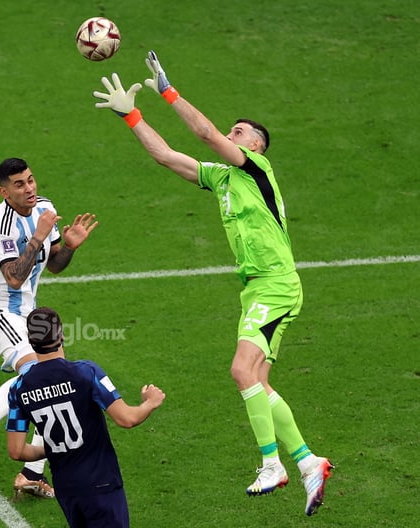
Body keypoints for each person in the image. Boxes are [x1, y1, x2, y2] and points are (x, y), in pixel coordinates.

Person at [92, 50, 333, 516]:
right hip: (258, 287)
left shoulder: (255, 170)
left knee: (241, 371)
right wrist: (131, 115)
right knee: (258, 383)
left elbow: (202, 132)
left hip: (275, 284)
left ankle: (271, 464)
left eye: (240, 133)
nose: (230, 133)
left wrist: (167, 89)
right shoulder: (222, 179)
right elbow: (166, 156)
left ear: (256, 148)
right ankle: (307, 462)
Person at [0, 157, 98, 498]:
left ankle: (31, 472)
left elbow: (56, 263)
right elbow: (14, 278)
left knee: (54, 377)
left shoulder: (45, 207)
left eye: (30, 180)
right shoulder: (0, 225)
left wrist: (70, 245)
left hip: (27, 315)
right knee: (36, 375)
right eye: (19, 185)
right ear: (5, 192)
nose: (29, 188)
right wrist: (38, 235)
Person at [6, 306, 165, 527]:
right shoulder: (85, 372)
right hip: (101, 484)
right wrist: (150, 403)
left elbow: (17, 451)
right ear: (61, 335)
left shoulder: (18, 389)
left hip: (66, 488)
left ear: (30, 342)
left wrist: (51, 448)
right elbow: (126, 418)